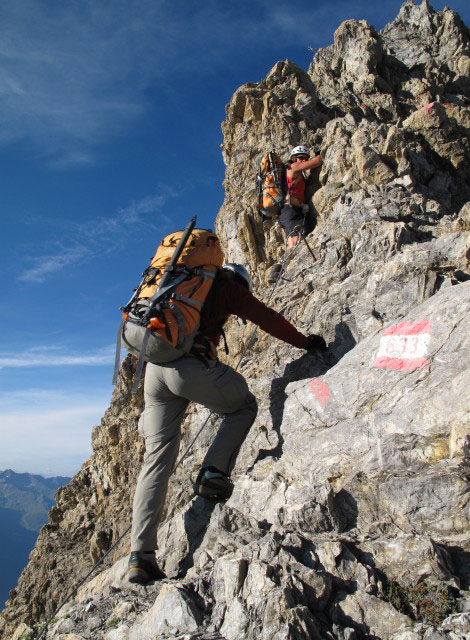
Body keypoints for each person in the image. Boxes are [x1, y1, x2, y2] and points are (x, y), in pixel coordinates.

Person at [128, 262, 327, 584]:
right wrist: (306, 343)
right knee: (243, 407)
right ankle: (213, 473)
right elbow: (268, 319)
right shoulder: (226, 287)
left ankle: (141, 556)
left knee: (157, 460)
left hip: (154, 371)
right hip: (190, 368)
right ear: (242, 281)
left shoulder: (179, 286)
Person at [268, 146, 323, 283]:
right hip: (290, 210)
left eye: (305, 157)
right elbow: (317, 161)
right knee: (295, 241)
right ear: (294, 158)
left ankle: (278, 269)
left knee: (293, 240)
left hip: (289, 212)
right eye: (301, 157)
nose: (304, 160)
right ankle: (280, 270)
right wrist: (318, 155)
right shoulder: (294, 167)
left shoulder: (292, 172)